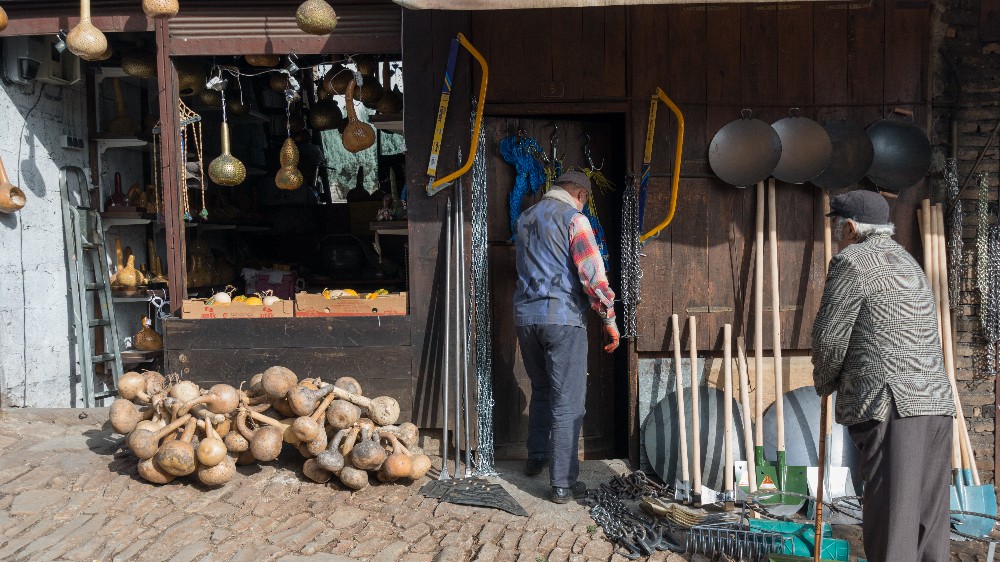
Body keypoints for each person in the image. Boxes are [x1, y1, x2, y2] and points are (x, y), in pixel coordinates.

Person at [811, 190, 955, 562]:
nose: (836, 235)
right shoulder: (908, 261)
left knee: (893, 522)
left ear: (851, 228)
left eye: (836, 227)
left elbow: (830, 336)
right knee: (927, 521)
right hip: (936, 404)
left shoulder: (852, 261)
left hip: (893, 406)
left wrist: (824, 381)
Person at [513, 170, 619, 504]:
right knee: (568, 401)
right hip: (562, 319)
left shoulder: (525, 218)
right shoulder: (575, 220)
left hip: (526, 318)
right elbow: (592, 276)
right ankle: (562, 483)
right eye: (585, 201)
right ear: (580, 194)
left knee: (543, 389)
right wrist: (609, 318)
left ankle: (537, 457)